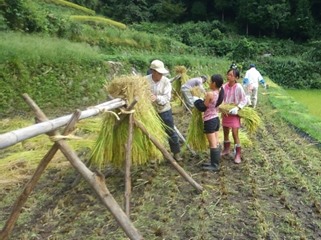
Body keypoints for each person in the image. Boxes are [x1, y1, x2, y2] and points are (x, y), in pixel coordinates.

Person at [145, 60, 182, 161]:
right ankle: (154, 155)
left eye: (162, 73)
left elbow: (166, 98)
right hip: (151, 111)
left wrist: (156, 98)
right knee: (152, 133)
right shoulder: (145, 80)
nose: (161, 75)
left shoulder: (166, 81)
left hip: (164, 110)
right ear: (152, 71)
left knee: (170, 131)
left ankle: (176, 153)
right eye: (159, 73)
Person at [221, 68, 247, 164]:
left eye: (231, 75)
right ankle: (226, 149)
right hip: (226, 112)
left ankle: (238, 154)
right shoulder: (224, 87)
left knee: (235, 134)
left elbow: (244, 100)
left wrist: (238, 107)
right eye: (228, 74)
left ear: (236, 77)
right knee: (225, 132)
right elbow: (221, 99)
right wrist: (222, 107)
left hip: (235, 113)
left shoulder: (238, 87)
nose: (228, 76)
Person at [200, 74, 225, 171]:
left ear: (214, 83)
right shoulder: (219, 93)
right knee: (216, 141)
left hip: (209, 120)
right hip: (216, 119)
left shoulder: (210, 94)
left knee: (212, 143)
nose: (209, 83)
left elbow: (203, 107)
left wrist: (196, 100)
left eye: (210, 81)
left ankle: (214, 165)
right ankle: (214, 162)